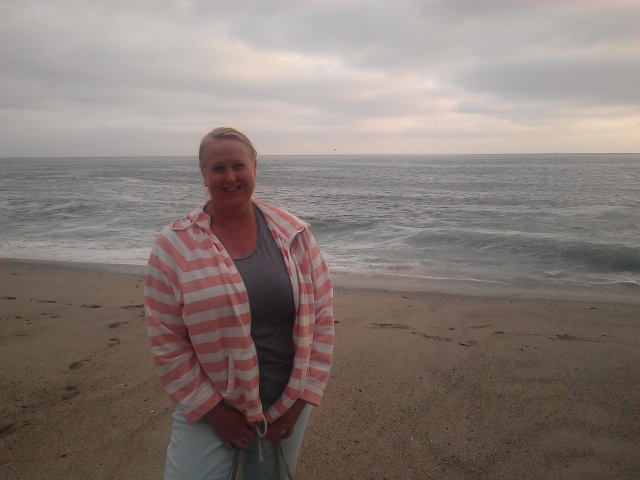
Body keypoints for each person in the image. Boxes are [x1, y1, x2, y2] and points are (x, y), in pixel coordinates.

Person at [144, 127, 334, 480]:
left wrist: (301, 400)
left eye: (238, 165)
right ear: (203, 174)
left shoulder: (294, 234)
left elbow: (322, 318)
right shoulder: (174, 246)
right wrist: (215, 411)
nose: (230, 177)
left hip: (285, 401)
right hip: (209, 408)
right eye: (218, 168)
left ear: (254, 167)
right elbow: (166, 340)